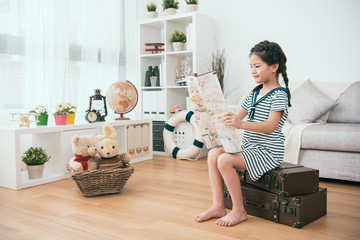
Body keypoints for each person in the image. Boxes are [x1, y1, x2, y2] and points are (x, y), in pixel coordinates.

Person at [194, 40, 291, 227]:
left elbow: (271, 126)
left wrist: (241, 124)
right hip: (250, 148)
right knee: (214, 153)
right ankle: (218, 206)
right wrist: (206, 117)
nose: (253, 71)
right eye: (251, 67)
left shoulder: (279, 94)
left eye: (257, 66)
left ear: (274, 67)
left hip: (268, 152)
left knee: (225, 160)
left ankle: (239, 211)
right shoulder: (254, 94)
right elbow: (233, 119)